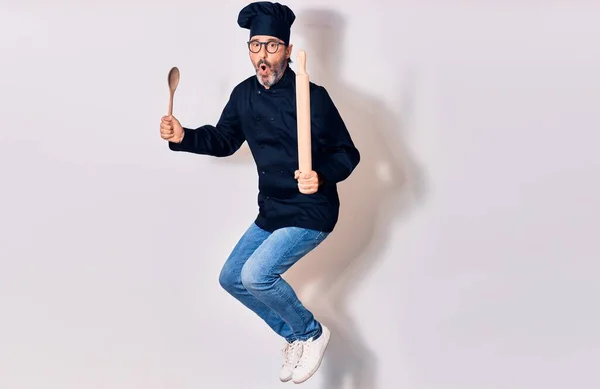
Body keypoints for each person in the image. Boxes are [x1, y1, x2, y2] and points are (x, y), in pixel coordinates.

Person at [159, 1, 360, 384]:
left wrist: (320, 175)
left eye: (271, 46)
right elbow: (223, 140)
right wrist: (184, 136)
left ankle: (312, 333)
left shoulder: (312, 95)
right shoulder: (243, 95)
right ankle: (295, 337)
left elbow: (347, 153)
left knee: (256, 275)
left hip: (311, 210)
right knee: (232, 277)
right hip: (272, 209)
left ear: (286, 49)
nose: (262, 56)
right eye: (256, 46)